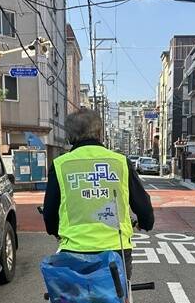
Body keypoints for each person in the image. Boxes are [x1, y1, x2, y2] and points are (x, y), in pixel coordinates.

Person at [43, 109, 154, 280]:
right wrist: (145, 223)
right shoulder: (121, 162)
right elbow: (143, 206)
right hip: (116, 250)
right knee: (118, 297)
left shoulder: (60, 165)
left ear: (70, 136)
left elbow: (49, 212)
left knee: (71, 300)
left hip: (73, 250)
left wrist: (55, 231)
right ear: (99, 133)